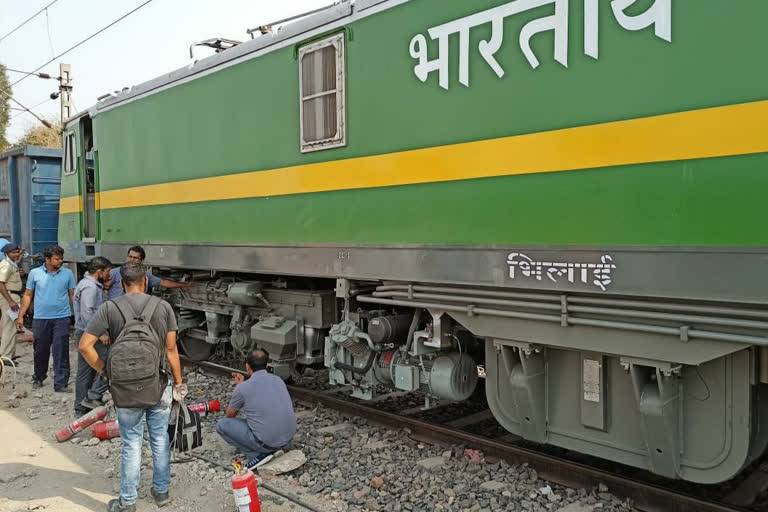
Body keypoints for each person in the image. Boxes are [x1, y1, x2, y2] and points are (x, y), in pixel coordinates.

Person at [79, 261, 184, 512]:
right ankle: (161, 492)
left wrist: (105, 370)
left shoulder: (109, 307)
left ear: (121, 283)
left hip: (125, 387)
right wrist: (179, 382)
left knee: (132, 443)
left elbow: (84, 345)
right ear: (145, 281)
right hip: (159, 383)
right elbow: (171, 349)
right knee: (159, 438)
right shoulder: (163, 306)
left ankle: (127, 502)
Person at [216, 349, 296, 470]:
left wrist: (239, 386)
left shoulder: (242, 388)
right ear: (267, 366)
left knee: (221, 425)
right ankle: (280, 447)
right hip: (288, 438)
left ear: (247, 366)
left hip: (267, 443)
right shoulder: (278, 380)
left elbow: (230, 415)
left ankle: (257, 455)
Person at [17, 245, 76, 391]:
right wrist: (21, 316)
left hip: (62, 318)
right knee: (40, 350)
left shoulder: (68, 274)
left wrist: (77, 315)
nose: (60, 261)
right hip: (41, 318)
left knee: (61, 350)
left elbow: (72, 295)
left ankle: (61, 383)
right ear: (47, 259)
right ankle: (38, 377)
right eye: (57, 259)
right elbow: (28, 295)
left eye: (61, 258)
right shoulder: (35, 273)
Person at [73, 256, 112, 416]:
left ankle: (81, 408)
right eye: (107, 271)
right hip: (91, 335)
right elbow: (87, 311)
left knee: (85, 370)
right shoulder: (90, 287)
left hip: (84, 332)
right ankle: (93, 396)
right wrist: (99, 332)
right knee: (109, 364)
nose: (109, 275)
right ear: (99, 271)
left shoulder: (87, 284)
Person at [105, 246, 192, 300]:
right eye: (130, 257)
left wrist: (186, 285)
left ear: (141, 260)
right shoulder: (115, 272)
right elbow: (103, 286)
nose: (131, 260)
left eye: (135, 258)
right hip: (116, 311)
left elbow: (164, 283)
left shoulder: (146, 275)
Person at [0, 244, 24, 362]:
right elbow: (1, 283)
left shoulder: (11, 264)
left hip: (12, 296)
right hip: (9, 297)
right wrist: (10, 301)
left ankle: (10, 354)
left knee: (12, 326)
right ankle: (5, 356)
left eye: (17, 252)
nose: (16, 254)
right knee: (9, 327)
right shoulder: (6, 265)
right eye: (13, 252)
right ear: (7, 253)